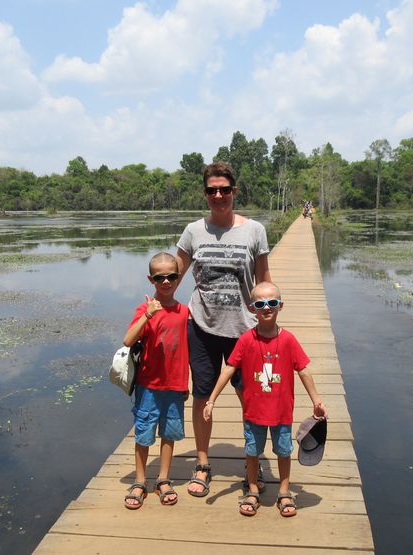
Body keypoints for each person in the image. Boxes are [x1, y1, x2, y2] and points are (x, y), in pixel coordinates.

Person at [176, 161, 272, 497]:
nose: (218, 196)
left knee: (250, 398)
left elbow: (264, 281)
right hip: (202, 327)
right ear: (205, 193)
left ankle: (252, 463)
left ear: (234, 191)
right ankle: (202, 463)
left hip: (244, 330)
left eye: (224, 189)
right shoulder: (193, 232)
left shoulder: (254, 231)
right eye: (212, 190)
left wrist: (269, 323)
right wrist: (153, 312)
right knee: (202, 395)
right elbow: (174, 275)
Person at [203, 282, 328, 517]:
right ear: (252, 309)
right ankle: (252, 490)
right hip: (254, 412)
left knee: (283, 451)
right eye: (260, 304)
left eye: (272, 302)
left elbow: (303, 370)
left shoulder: (289, 340)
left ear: (280, 306)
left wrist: (316, 401)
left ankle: (284, 491)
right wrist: (212, 400)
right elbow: (229, 368)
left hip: (281, 413)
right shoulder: (246, 340)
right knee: (252, 452)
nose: (266, 307)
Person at [122, 252, 189, 509]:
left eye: (171, 276)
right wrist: (147, 315)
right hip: (149, 385)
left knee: (169, 433)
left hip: (175, 385)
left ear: (178, 277)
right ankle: (140, 481)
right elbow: (128, 340)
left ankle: (163, 479)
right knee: (144, 432)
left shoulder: (184, 311)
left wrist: (186, 384)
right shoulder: (145, 309)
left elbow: (185, 349)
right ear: (151, 280)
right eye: (160, 278)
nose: (166, 281)